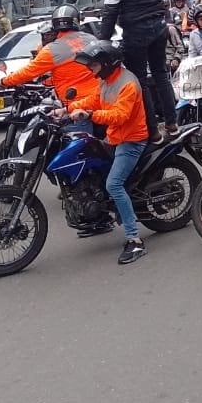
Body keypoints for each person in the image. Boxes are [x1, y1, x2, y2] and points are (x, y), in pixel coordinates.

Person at [65, 42, 150, 264]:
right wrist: (66, 109)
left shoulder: (128, 84)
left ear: (105, 64)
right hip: (114, 138)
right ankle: (101, 218)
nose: (90, 69)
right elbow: (93, 100)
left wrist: (89, 115)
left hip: (131, 141)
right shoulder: (106, 81)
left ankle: (135, 240)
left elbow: (120, 115)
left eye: (93, 65)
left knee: (113, 184)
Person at [98, 0, 179, 142]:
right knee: (161, 74)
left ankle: (153, 132)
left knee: (140, 81)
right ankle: (172, 123)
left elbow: (110, 10)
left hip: (135, 34)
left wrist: (102, 42)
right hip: (159, 28)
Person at [1, 4, 97, 103]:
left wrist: (3, 81)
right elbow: (69, 74)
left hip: (76, 103)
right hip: (99, 98)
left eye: (49, 35)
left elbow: (29, 72)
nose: (46, 38)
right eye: (44, 36)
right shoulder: (91, 39)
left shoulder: (52, 50)